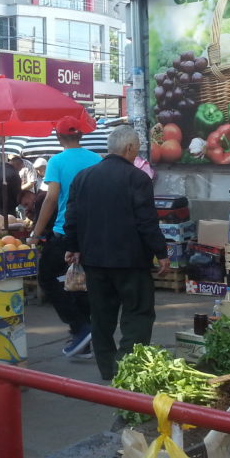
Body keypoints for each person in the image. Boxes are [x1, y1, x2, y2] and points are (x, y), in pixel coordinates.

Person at [63, 125, 171, 381]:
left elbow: (72, 217)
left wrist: (73, 246)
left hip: (94, 261)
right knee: (139, 313)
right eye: (136, 150)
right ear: (130, 148)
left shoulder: (83, 177)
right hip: (131, 261)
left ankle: (108, 369)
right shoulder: (137, 178)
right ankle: (128, 366)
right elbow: (147, 221)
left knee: (101, 316)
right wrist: (161, 252)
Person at [26, 117, 103, 358]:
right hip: (91, 233)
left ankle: (80, 328)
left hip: (63, 232)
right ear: (80, 135)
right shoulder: (96, 159)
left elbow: (51, 198)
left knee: (48, 278)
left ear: (59, 137)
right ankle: (84, 343)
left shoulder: (56, 161)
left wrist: (36, 233)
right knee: (80, 285)